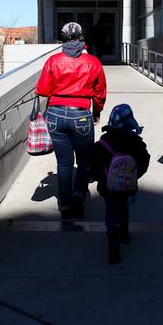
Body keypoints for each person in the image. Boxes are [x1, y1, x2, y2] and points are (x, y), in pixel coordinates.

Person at [36, 22, 107, 220]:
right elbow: (100, 93)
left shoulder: (53, 61)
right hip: (82, 115)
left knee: (64, 162)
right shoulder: (93, 62)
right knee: (84, 162)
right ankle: (78, 198)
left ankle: (65, 204)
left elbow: (42, 90)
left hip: (55, 116)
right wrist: (97, 112)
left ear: (63, 39)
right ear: (81, 38)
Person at [90, 104, 150, 264]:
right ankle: (124, 233)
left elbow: (94, 165)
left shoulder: (103, 142)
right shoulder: (135, 142)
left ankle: (113, 242)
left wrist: (97, 176)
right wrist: (134, 175)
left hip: (108, 187)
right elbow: (144, 161)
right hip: (127, 186)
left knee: (110, 211)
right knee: (123, 208)